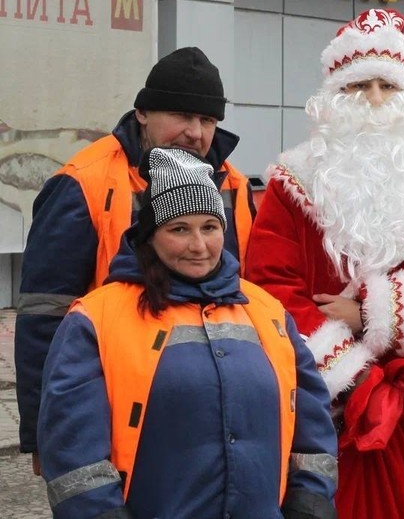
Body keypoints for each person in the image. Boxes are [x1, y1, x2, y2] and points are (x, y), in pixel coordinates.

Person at [245, 8, 404, 519]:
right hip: (315, 405)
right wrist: (348, 373)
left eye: (388, 87)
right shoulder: (293, 185)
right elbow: (269, 287)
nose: (375, 102)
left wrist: (370, 315)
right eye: (359, 87)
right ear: (333, 97)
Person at [37, 147, 337, 519]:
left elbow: (312, 421)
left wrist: (311, 502)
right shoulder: (95, 319)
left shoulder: (267, 311)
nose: (199, 246)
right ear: (149, 235)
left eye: (209, 227)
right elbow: (73, 454)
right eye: (179, 229)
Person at [16, 47, 256, 475]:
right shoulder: (82, 182)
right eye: (182, 116)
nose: (195, 133)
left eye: (207, 120)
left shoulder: (233, 186)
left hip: (211, 406)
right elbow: (44, 315)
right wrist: (41, 432)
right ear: (142, 113)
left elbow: (250, 300)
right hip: (109, 399)